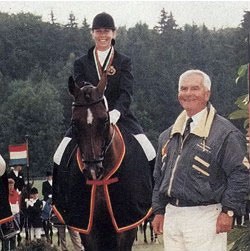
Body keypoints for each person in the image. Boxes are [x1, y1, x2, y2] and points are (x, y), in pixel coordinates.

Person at [152, 69, 250, 251]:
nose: (188, 93)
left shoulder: (225, 133)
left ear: (207, 94)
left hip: (206, 216)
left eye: (195, 88)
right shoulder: (168, 135)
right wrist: (159, 210)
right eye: (184, 89)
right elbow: (159, 177)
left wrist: (229, 211)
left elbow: (240, 174)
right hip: (172, 214)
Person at [54, 12, 156, 168]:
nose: (103, 35)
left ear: (114, 33)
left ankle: (153, 191)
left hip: (119, 116)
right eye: (98, 31)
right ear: (92, 33)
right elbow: (82, 90)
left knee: (149, 151)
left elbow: (126, 92)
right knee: (59, 155)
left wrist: (116, 112)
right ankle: (59, 192)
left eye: (107, 31)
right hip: (88, 118)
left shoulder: (123, 61)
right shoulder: (81, 63)